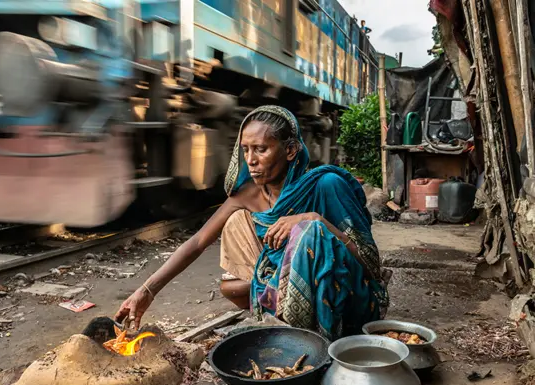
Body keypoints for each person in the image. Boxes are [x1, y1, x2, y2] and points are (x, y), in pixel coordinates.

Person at [115, 105, 389, 341]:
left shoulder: (326, 185)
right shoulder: (248, 194)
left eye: (261, 149)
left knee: (311, 231)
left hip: (348, 299)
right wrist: (146, 291)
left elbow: (369, 265)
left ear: (290, 150)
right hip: (288, 295)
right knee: (235, 236)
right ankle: (285, 318)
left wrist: (313, 220)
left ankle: (317, 336)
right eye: (245, 149)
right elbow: (198, 242)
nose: (251, 160)